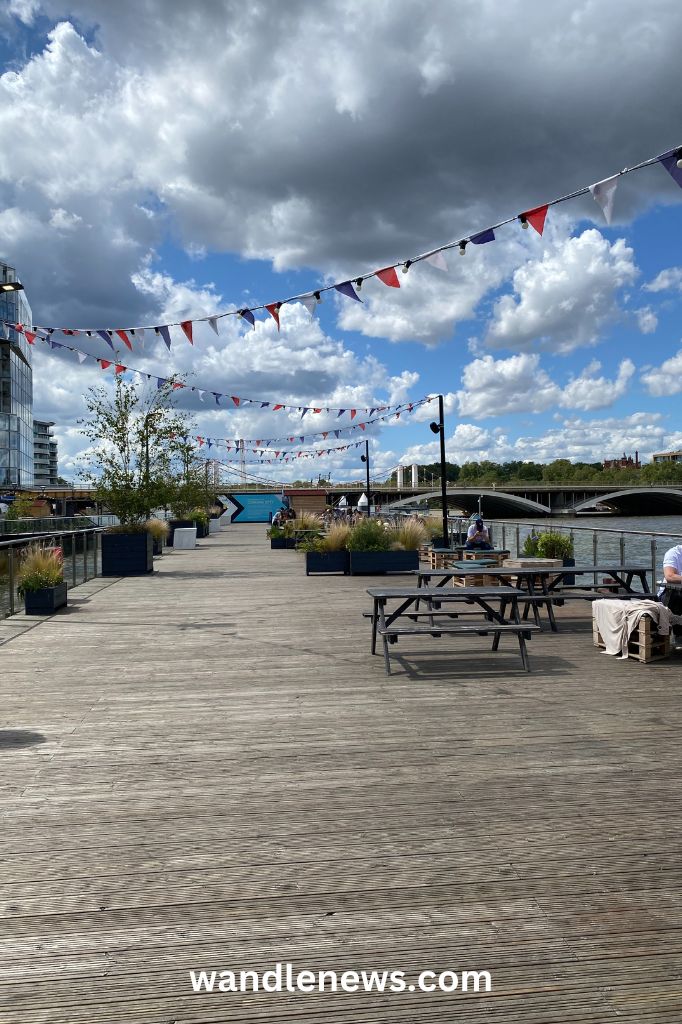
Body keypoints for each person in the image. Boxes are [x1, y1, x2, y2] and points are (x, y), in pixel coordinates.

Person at [659, 543, 682, 647]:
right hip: (669, 594)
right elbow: (670, 576)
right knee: (677, 595)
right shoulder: (674, 553)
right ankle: (678, 635)